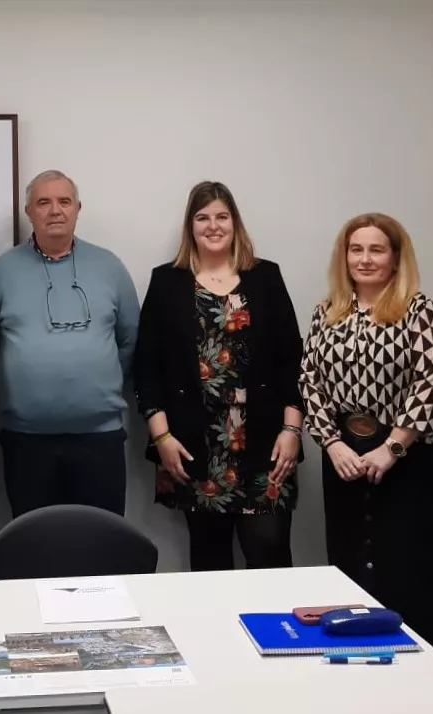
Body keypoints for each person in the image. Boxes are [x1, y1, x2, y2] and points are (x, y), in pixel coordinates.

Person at [299, 212, 433, 656]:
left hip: (404, 459)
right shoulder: (326, 312)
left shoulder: (417, 309)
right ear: (344, 257)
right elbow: (309, 380)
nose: (365, 259)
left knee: (408, 570)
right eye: (356, 249)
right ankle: (356, 664)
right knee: (350, 570)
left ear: (395, 256)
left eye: (376, 249)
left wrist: (393, 447)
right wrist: (332, 443)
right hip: (344, 456)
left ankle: (422, 674)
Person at [133, 181, 304, 571]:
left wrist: (291, 432)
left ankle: (276, 634)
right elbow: (147, 368)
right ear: (190, 226)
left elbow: (293, 362)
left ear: (235, 223)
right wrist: (161, 438)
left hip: (266, 446)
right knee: (210, 567)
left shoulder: (266, 278)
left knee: (270, 557)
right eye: (203, 217)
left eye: (221, 216)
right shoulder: (167, 281)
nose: (213, 226)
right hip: (195, 447)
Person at [0, 170, 140, 517]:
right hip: (26, 439)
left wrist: (97, 384)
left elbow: (130, 340)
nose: (55, 210)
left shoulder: (109, 267)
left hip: (100, 438)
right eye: (43, 202)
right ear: (28, 212)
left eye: (64, 201)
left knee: (102, 546)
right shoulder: (0, 274)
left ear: (78, 208)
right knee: (35, 549)